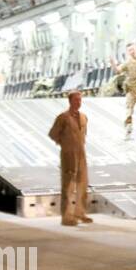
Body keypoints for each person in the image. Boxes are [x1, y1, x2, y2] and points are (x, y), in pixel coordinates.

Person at [48, 91, 92, 226]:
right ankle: (66, 217)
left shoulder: (84, 117)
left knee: (82, 184)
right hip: (68, 155)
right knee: (68, 186)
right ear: (70, 101)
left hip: (81, 154)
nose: (78, 102)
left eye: (80, 100)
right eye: (76, 100)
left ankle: (80, 213)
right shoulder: (63, 117)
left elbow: (83, 135)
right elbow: (53, 134)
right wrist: (65, 145)